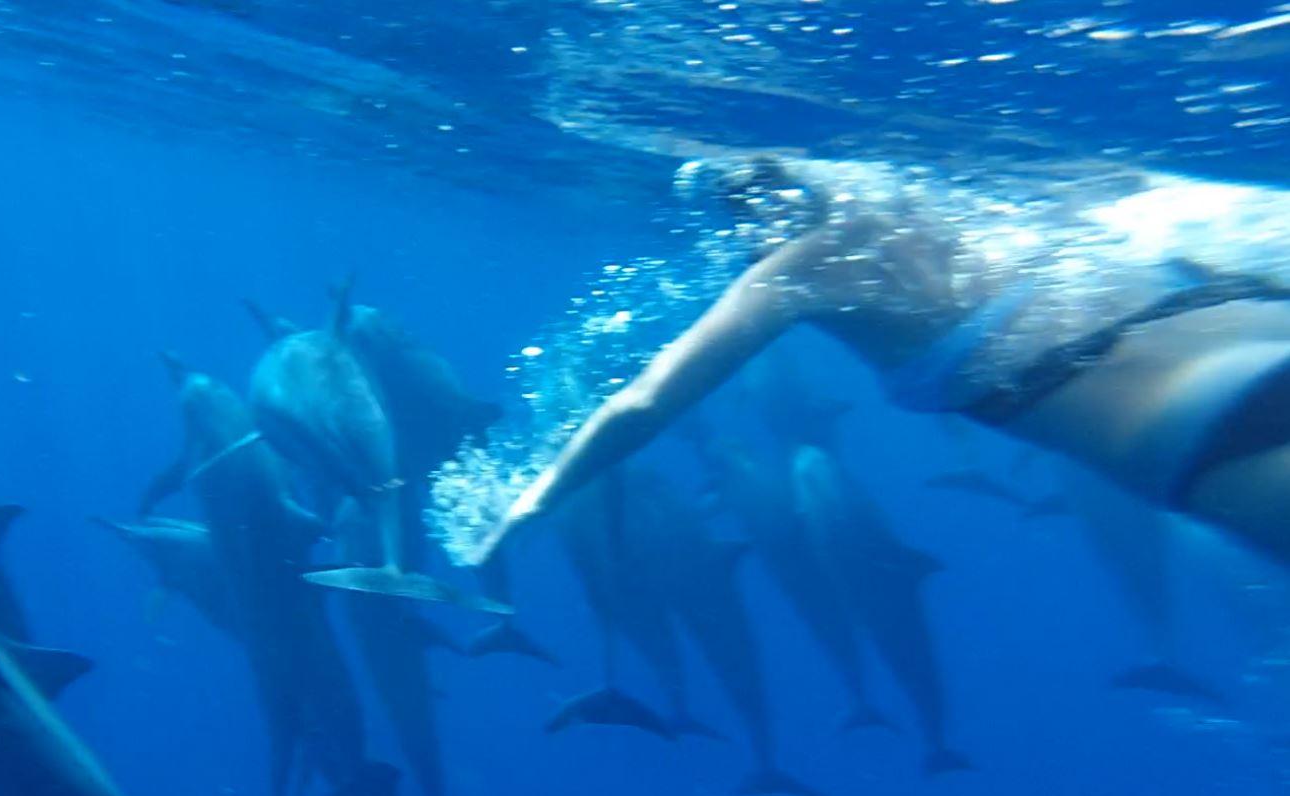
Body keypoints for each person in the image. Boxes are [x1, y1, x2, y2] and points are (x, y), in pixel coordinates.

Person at [468, 155, 1290, 566]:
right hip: (1255, 321)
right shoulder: (956, 194)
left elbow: (645, 402)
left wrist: (531, 502)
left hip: (1197, 422)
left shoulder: (798, 269)